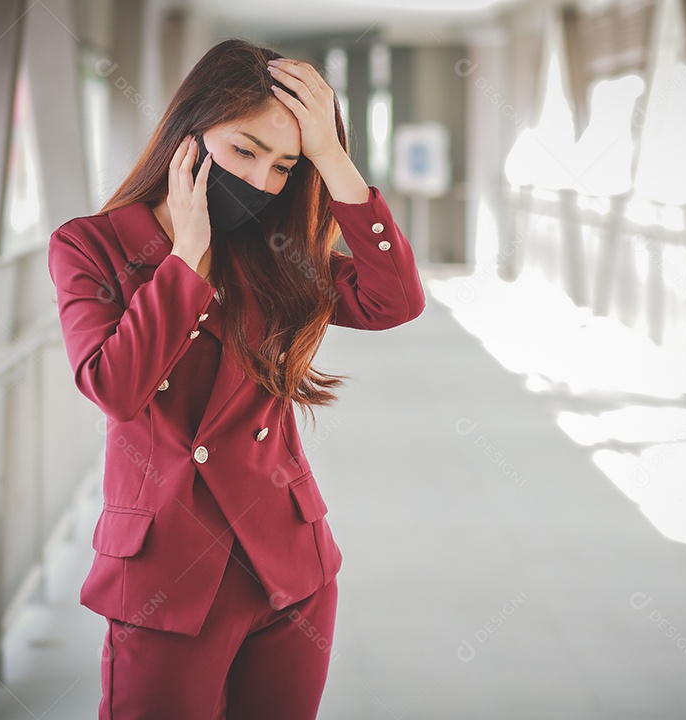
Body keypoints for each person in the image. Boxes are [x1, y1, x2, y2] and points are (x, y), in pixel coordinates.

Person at [47, 37, 425, 720]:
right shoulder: (90, 246)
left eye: (283, 165)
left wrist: (331, 159)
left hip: (291, 572)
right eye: (244, 150)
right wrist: (187, 258)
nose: (260, 181)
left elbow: (393, 299)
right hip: (167, 579)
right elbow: (116, 387)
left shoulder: (274, 251)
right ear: (188, 134)